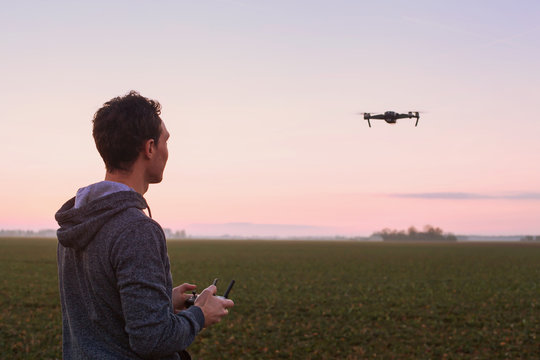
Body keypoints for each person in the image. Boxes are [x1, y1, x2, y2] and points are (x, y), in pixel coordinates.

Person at [55, 91, 234, 359]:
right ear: (149, 148)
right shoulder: (137, 229)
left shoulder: (77, 219)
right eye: (165, 141)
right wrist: (200, 314)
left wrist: (160, 302)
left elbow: (98, 312)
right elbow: (153, 339)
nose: (167, 151)